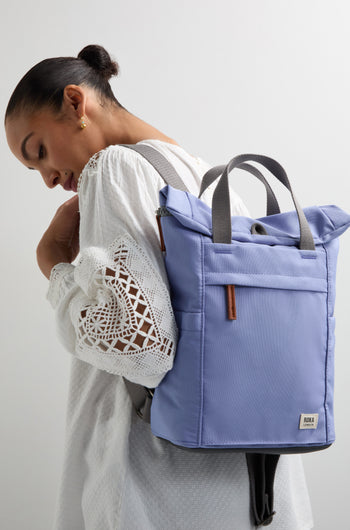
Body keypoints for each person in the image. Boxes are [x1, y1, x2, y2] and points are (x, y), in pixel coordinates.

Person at [5, 44, 314, 530]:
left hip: (157, 476)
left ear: (74, 102)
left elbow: (143, 348)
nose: (46, 178)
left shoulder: (112, 169)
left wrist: (55, 271)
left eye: (38, 151)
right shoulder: (196, 173)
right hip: (247, 469)